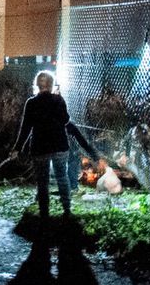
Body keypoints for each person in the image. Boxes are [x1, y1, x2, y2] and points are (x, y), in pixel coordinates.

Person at [12, 70, 99, 223]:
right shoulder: (58, 100)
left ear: (37, 85)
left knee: (42, 182)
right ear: (52, 85)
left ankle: (44, 215)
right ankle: (67, 210)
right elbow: (65, 120)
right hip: (59, 145)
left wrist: (17, 148)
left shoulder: (31, 103)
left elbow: (25, 128)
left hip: (40, 148)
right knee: (62, 178)